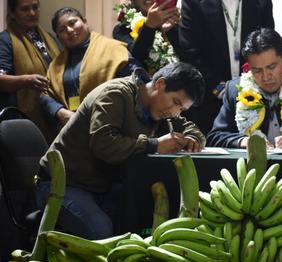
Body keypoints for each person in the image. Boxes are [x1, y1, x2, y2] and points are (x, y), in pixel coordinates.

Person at [37, 62, 206, 239]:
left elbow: (190, 128)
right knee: (102, 232)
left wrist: (193, 139)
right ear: (160, 84)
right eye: (176, 103)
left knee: (143, 221)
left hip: (103, 187)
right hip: (62, 185)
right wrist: (154, 144)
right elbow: (103, 144)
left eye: (181, 109)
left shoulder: (160, 107)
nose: (175, 112)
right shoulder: (115, 94)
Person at [179, 0, 274, 134]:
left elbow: (267, 46)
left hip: (255, 97)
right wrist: (220, 89)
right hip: (209, 100)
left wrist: (250, 86)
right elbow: (189, 52)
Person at [41, 7, 140, 127]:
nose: (69, 30)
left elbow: (137, 83)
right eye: (62, 30)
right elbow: (45, 95)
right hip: (73, 129)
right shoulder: (55, 65)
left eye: (73, 23)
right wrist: (60, 112)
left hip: (111, 125)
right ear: (58, 37)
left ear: (85, 21)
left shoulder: (113, 49)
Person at [0, 0, 60, 142]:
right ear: (12, 13)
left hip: (53, 114)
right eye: (25, 9)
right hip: (22, 122)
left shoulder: (49, 38)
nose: (32, 13)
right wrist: (26, 80)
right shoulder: (5, 40)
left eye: (35, 7)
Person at [113, 0, 180, 70]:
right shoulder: (122, 30)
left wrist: (171, 31)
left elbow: (190, 57)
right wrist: (149, 26)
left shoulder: (175, 21)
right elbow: (136, 61)